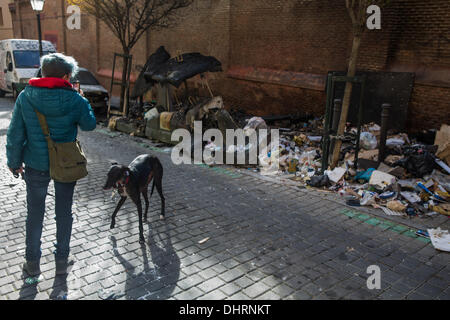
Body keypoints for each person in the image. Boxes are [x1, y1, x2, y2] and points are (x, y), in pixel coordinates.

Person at [6, 53, 96, 276]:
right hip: (66, 164)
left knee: (35, 213)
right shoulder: (75, 99)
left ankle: (32, 263)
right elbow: (90, 124)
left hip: (35, 163)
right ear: (66, 75)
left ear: (43, 73)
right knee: (64, 213)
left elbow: (15, 133)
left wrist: (14, 162)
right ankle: (62, 260)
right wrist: (82, 99)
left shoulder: (25, 96)